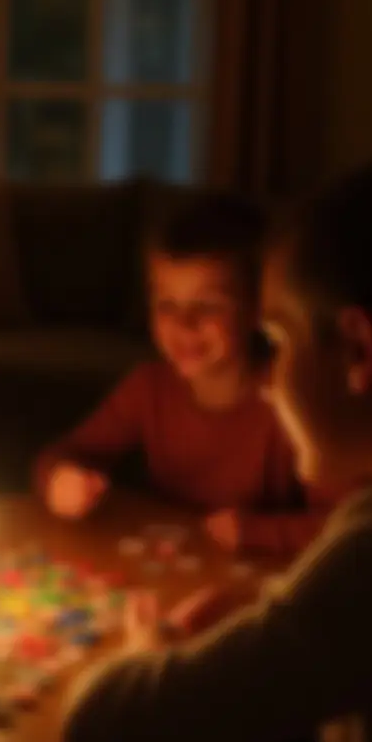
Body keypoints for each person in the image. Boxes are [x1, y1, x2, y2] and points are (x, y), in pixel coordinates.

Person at [62, 148, 372, 742]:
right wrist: (272, 607)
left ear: (358, 351)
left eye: (276, 341)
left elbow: (105, 733)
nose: (270, 377)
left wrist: (146, 646)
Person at [34, 188, 329, 556]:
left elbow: (344, 524)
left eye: (207, 307)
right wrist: (62, 481)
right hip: (172, 574)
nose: (184, 325)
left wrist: (258, 531)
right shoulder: (148, 388)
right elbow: (61, 454)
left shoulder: (289, 400)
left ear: (257, 309)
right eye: (166, 305)